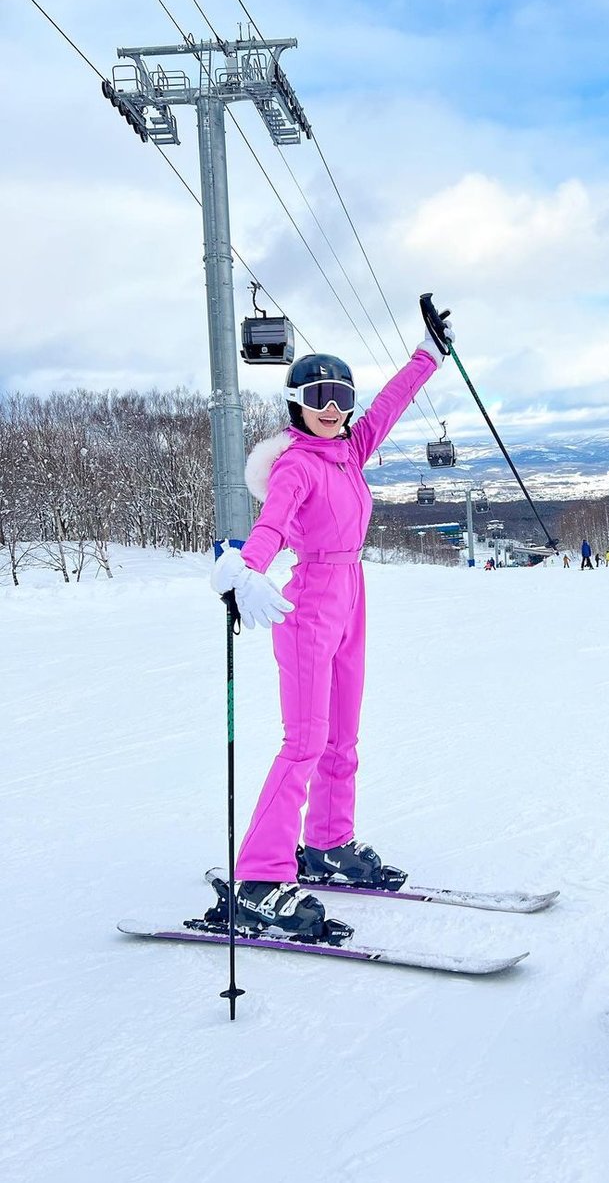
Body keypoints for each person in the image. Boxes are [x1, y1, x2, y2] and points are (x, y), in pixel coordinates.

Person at [208, 322, 451, 937]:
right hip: (310, 604)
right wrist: (245, 570)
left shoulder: (348, 450)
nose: (333, 408)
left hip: (352, 596)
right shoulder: (297, 466)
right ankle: (260, 876)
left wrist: (427, 356)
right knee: (305, 743)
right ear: (297, 404)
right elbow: (271, 526)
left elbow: (389, 406)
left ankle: (327, 843)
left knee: (343, 739)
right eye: (318, 398)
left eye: (342, 395)